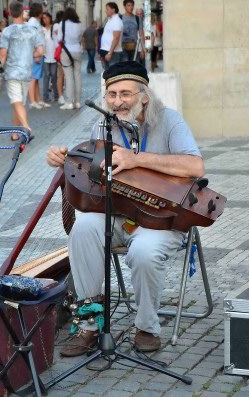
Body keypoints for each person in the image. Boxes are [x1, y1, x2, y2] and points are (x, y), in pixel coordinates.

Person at [45, 61, 204, 356]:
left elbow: (195, 166)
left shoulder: (169, 121)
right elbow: (92, 172)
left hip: (162, 217)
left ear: (144, 96)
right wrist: (65, 159)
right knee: (82, 230)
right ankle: (90, 323)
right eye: (112, 94)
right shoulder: (103, 125)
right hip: (118, 214)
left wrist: (138, 158)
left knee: (143, 251)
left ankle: (146, 326)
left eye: (125, 94)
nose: (118, 102)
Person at [0, 1, 45, 140]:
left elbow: (2, 54)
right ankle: (14, 134)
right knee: (18, 103)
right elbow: (41, 51)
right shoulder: (32, 30)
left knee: (17, 102)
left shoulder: (7, 31)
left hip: (12, 72)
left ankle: (26, 128)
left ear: (10, 13)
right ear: (22, 12)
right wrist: (27, 55)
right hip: (26, 72)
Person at [57, 7, 83, 110]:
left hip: (66, 51)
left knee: (68, 77)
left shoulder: (62, 24)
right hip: (77, 51)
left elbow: (59, 39)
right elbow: (80, 38)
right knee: (77, 76)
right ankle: (77, 101)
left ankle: (69, 102)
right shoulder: (79, 24)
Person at [27, 2, 49, 109]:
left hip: (39, 53)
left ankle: (38, 100)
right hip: (36, 54)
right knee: (33, 79)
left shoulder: (35, 22)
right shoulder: (32, 23)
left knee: (36, 78)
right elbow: (32, 40)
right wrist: (36, 54)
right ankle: (32, 101)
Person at [100, 2, 123, 70]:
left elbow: (116, 38)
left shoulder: (117, 21)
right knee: (107, 75)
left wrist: (110, 53)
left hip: (113, 53)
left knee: (113, 75)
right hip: (105, 50)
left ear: (113, 10)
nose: (105, 11)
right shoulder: (109, 20)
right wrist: (102, 52)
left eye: (107, 9)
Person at [41, 12, 58, 103]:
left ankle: (56, 95)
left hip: (54, 56)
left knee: (54, 77)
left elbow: (59, 40)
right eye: (43, 18)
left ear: (50, 18)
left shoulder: (55, 27)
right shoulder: (42, 29)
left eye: (47, 17)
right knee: (46, 77)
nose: (45, 19)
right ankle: (45, 97)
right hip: (45, 56)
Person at [53, 11, 66, 105]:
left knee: (62, 75)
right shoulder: (58, 25)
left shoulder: (57, 25)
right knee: (61, 75)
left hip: (60, 51)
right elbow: (60, 39)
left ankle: (60, 95)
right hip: (60, 51)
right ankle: (60, 96)